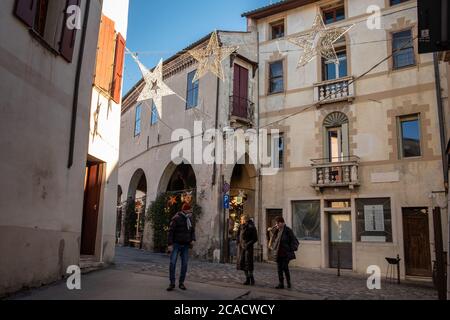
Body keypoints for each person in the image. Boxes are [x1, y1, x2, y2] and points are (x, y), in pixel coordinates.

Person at [167, 203, 196, 291]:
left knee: (185, 264)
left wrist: (193, 239)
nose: (190, 211)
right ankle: (172, 283)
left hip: (186, 245)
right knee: (172, 263)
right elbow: (170, 232)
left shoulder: (189, 219)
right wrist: (170, 244)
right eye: (189, 210)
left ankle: (181, 283)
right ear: (185, 210)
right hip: (176, 244)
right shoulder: (176, 218)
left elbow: (192, 230)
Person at [268, 216, 299, 289]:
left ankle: (288, 282)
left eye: (278, 223)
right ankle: (281, 283)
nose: (277, 225)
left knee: (284, 267)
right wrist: (270, 231)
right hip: (278, 253)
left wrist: (290, 249)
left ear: (282, 223)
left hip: (286, 253)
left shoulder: (288, 230)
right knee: (279, 269)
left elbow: (294, 241)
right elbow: (273, 239)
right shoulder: (277, 230)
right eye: (276, 223)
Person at [236, 215, 258, 286]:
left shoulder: (251, 227)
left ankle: (251, 278)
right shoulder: (241, 226)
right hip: (241, 248)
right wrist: (238, 243)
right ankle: (247, 279)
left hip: (248, 248)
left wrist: (248, 244)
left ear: (245, 220)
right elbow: (238, 235)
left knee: (248, 264)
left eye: (242, 219)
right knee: (242, 263)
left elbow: (255, 238)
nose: (241, 220)